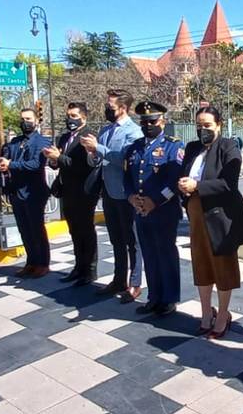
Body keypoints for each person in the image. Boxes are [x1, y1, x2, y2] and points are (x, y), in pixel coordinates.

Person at [177, 106, 243, 338]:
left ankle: (222, 314)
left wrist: (197, 186)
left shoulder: (228, 146)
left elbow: (229, 183)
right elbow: (183, 173)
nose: (203, 130)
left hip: (221, 216)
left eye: (207, 125)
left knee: (223, 267)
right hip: (195, 212)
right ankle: (205, 312)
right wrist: (182, 185)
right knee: (200, 263)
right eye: (199, 125)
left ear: (219, 125)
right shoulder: (192, 148)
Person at [123, 101, 185, 316]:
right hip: (140, 211)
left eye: (152, 121)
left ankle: (169, 298)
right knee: (148, 253)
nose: (148, 125)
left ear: (162, 121)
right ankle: (154, 296)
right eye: (144, 121)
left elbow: (175, 180)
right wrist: (131, 197)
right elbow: (127, 178)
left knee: (165, 254)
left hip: (164, 211)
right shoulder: (135, 147)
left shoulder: (173, 146)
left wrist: (154, 201)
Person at [83, 89, 144, 297]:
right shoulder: (106, 130)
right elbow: (98, 161)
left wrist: (98, 148)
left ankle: (135, 283)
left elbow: (125, 159)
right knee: (116, 239)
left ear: (123, 108)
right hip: (108, 191)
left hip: (126, 193)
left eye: (111, 107)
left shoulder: (133, 132)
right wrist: (91, 153)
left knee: (132, 241)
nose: (107, 110)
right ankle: (119, 280)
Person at [44, 102, 101, 287]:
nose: (70, 119)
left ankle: (90, 270)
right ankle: (78, 266)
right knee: (74, 230)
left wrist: (58, 158)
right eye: (68, 115)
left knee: (86, 230)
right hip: (67, 189)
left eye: (74, 116)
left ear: (84, 117)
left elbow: (83, 166)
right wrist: (53, 160)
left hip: (84, 191)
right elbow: (59, 162)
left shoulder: (88, 136)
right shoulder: (65, 137)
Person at [0, 108, 52, 279]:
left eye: (28, 118)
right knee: (24, 229)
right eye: (22, 119)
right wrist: (3, 165)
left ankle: (43, 263)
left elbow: (36, 164)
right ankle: (31, 262)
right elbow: (5, 159)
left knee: (36, 229)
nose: (24, 122)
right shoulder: (14, 142)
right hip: (16, 192)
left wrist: (11, 164)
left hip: (34, 192)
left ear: (36, 121)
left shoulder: (41, 142)